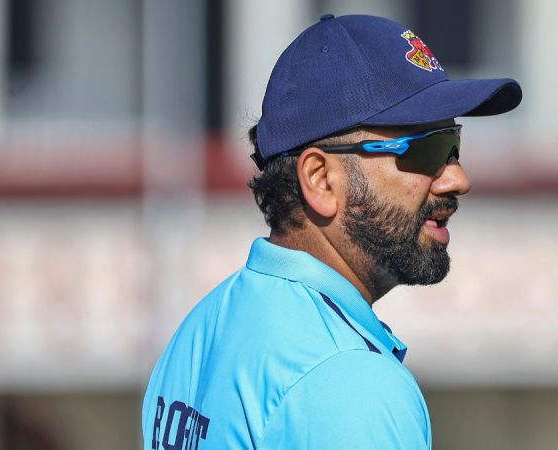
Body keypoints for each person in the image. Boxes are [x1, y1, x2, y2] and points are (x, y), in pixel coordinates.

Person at [142, 13, 521, 449]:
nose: (458, 179)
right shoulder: (352, 382)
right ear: (320, 179)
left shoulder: (202, 329)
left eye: (453, 144)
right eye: (427, 149)